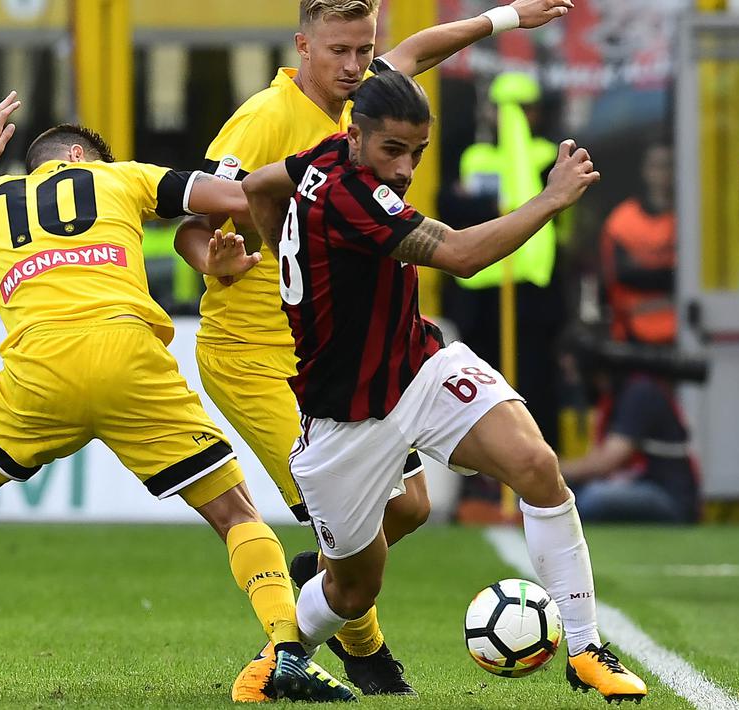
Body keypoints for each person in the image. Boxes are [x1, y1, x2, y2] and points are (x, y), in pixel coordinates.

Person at [0, 93, 354, 701]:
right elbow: (237, 197)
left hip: (40, 367)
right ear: (81, 158)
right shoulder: (122, 177)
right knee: (235, 511)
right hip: (130, 357)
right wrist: (325, 170)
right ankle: (287, 650)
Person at [175, 0, 575, 699]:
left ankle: (326, 587)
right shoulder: (264, 119)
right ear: (303, 45)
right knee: (338, 525)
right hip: (255, 353)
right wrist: (218, 260)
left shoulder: (364, 109)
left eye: (365, 50)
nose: (355, 65)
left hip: (341, 352)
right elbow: (194, 220)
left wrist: (509, 16)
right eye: (340, 51)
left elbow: (419, 51)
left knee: (410, 508)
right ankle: (357, 655)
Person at [244, 71, 648, 702]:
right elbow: (460, 255)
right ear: (357, 137)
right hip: (346, 413)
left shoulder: (323, 156)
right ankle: (276, 660)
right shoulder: (352, 196)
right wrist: (550, 200)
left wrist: (282, 254)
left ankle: (585, 648)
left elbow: (259, 185)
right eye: (392, 151)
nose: (405, 169)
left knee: (536, 465)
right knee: (354, 588)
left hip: (419, 366)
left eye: (417, 153)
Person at [560, 371, 699, 523]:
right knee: (575, 494)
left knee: (590, 499)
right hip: (641, 484)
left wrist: (553, 470)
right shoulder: (614, 396)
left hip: (669, 497)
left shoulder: (640, 390)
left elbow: (606, 462)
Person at [600, 141, 677, 345]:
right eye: (657, 166)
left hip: (684, 330)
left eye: (669, 165)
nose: (663, 173)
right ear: (645, 170)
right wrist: (668, 273)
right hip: (632, 334)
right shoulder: (622, 221)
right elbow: (622, 275)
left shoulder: (689, 222)